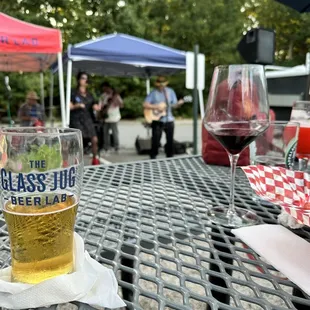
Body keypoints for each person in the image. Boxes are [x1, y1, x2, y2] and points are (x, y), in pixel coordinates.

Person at [143, 76, 184, 159]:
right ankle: (153, 155)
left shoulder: (170, 92)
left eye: (162, 85)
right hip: (157, 120)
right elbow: (145, 104)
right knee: (155, 139)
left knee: (170, 139)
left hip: (169, 119)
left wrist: (179, 103)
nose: (161, 86)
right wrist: (156, 107)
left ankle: (169, 156)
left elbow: (175, 105)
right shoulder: (153, 93)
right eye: (159, 85)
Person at [70, 72, 100, 165]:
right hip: (77, 118)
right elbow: (69, 106)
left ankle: (95, 159)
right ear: (79, 80)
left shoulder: (90, 94)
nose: (85, 80)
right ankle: (76, 161)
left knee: (94, 139)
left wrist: (96, 107)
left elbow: (94, 104)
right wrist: (77, 105)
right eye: (83, 78)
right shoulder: (73, 93)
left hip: (87, 118)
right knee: (80, 140)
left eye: (86, 78)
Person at [98, 82, 123, 153]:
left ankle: (116, 146)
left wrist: (116, 100)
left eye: (106, 88)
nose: (105, 90)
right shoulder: (103, 96)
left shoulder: (115, 95)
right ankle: (106, 146)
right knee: (105, 132)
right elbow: (100, 106)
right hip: (105, 117)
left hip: (114, 117)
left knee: (115, 132)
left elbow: (121, 105)